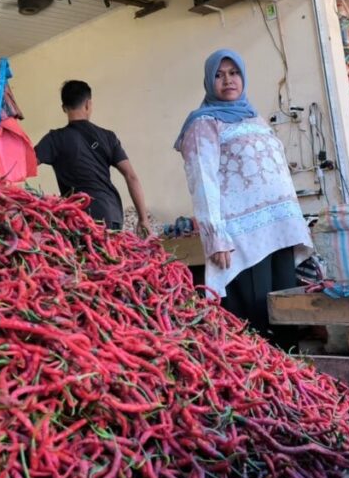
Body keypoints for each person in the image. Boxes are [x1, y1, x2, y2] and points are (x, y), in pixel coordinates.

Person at [175, 49, 313, 337]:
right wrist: (215, 237)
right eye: (219, 75)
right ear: (208, 81)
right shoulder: (203, 123)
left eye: (234, 72)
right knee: (256, 319)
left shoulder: (254, 118)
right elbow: (203, 182)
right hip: (244, 238)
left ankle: (292, 366)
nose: (228, 80)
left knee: (287, 313)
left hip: (281, 231)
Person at [36, 80, 152, 236]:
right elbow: (131, 176)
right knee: (111, 252)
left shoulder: (54, 139)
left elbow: (24, 164)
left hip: (77, 219)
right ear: (88, 104)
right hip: (110, 214)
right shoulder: (108, 137)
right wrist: (143, 219)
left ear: (64, 108)